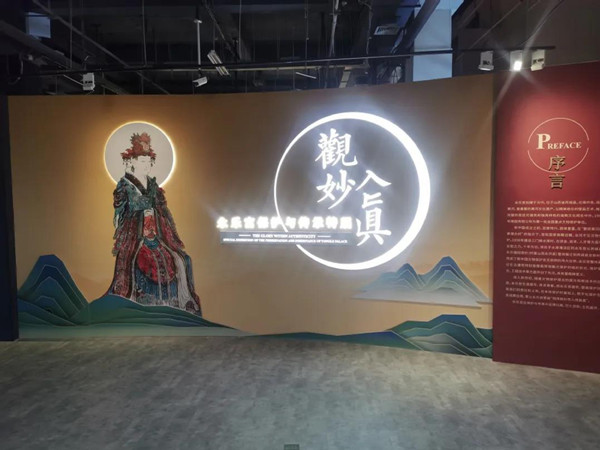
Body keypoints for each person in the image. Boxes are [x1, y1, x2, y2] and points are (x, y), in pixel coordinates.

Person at [107, 132, 202, 314]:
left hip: (157, 234)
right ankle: (139, 304)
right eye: (142, 161)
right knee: (138, 259)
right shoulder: (125, 185)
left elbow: (163, 210)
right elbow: (120, 214)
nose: (147, 165)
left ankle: (182, 302)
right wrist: (139, 217)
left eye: (149, 161)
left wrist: (157, 217)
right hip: (135, 236)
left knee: (182, 260)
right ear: (132, 162)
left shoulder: (153, 185)